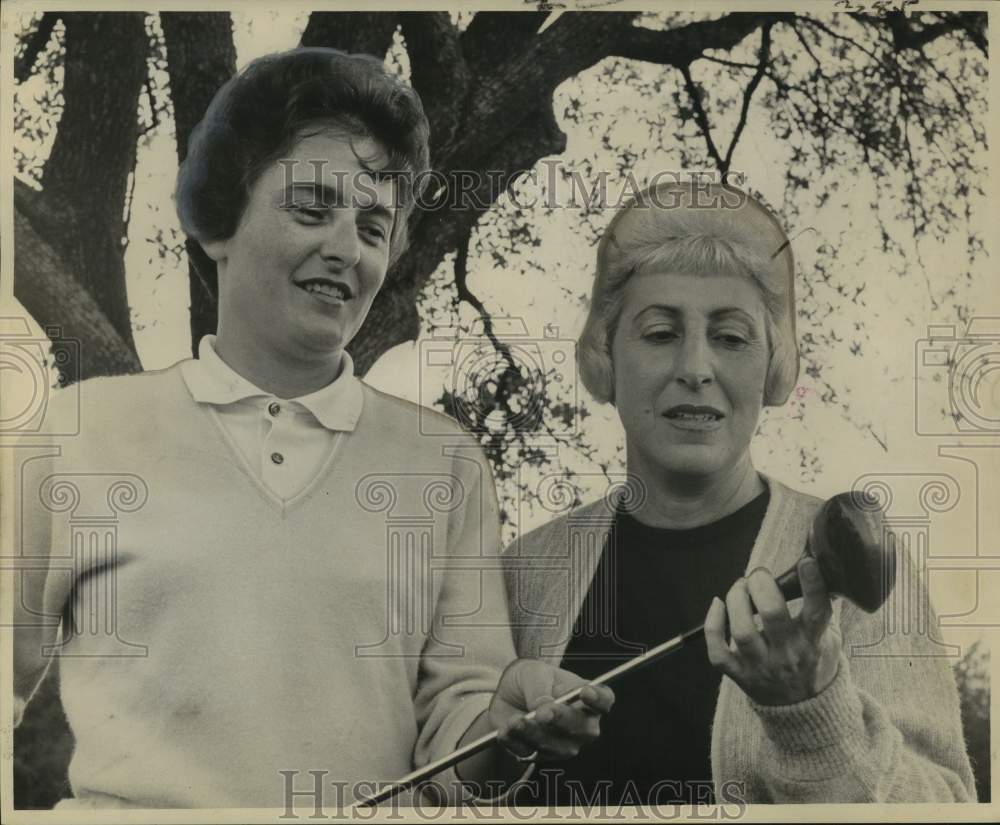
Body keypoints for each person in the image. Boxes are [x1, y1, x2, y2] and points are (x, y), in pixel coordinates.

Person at [11, 47, 613, 810]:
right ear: (221, 223)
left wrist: (502, 721)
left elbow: (460, 742)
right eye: (311, 208)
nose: (345, 248)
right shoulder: (80, 432)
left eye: (372, 225)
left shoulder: (444, 464)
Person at [502, 179, 977, 805]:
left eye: (730, 337)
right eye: (660, 333)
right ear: (604, 359)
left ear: (772, 368)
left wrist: (813, 713)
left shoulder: (856, 564)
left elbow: (945, 807)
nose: (696, 368)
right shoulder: (521, 574)